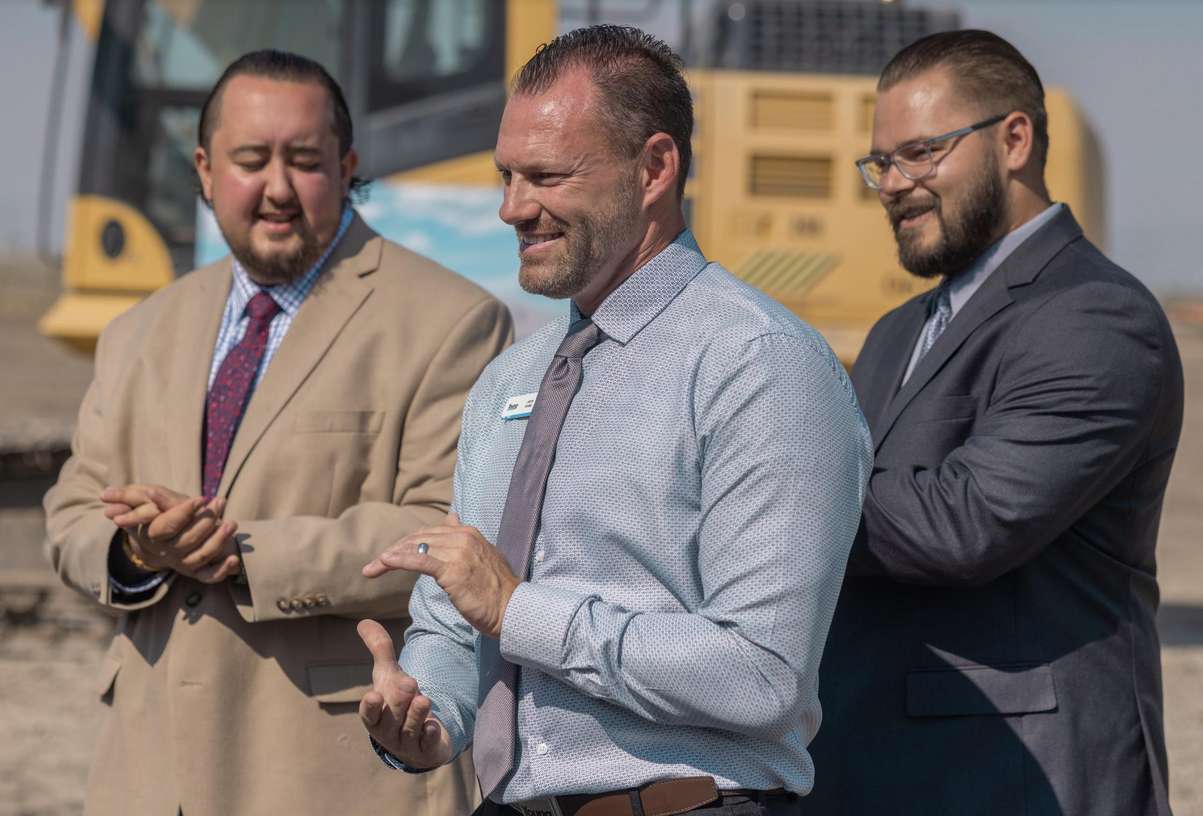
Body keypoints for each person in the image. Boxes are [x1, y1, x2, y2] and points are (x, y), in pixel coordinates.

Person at [353, 25, 872, 816]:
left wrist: (519, 611)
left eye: (546, 176)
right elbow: (458, 628)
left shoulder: (761, 365)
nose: (510, 208)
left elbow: (762, 673)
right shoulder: (507, 382)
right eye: (505, 175)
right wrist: (427, 718)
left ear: (655, 167)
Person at [43, 49, 511, 815]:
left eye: (304, 160)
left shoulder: (449, 322)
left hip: (329, 774)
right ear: (203, 169)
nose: (277, 188)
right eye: (251, 160)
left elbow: (446, 535)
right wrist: (136, 551)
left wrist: (243, 555)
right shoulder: (138, 331)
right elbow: (70, 512)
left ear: (349, 164)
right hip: (146, 770)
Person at [804, 30, 1183, 816]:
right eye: (882, 162)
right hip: (877, 765)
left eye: (922, 152)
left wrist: (759, 496)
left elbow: (967, 521)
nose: (894, 184)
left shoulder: (1095, 317)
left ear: (1014, 140)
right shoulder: (894, 334)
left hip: (1018, 778)